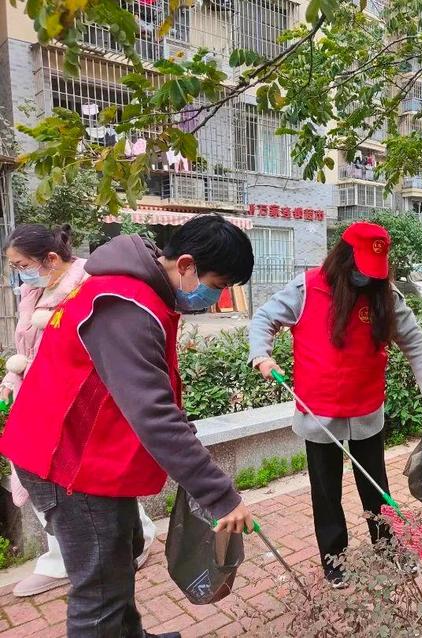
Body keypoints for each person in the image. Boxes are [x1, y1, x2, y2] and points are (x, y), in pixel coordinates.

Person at [0, 214, 256, 638]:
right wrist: (221, 496)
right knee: (98, 588)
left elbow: (151, 398)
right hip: (65, 459)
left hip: (86, 453)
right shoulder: (125, 303)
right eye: (219, 283)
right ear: (187, 265)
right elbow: (153, 414)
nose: (218, 296)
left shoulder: (138, 291)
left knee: (120, 554)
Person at [248, 221, 422, 588]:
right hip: (318, 412)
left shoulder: (384, 296)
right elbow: (264, 319)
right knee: (325, 491)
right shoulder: (306, 289)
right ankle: (335, 558)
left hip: (365, 408)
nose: (365, 278)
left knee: (376, 487)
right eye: (359, 269)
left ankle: (388, 548)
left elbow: (415, 342)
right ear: (344, 259)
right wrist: (262, 355)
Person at [1, 224, 157, 598]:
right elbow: (25, 344)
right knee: (47, 485)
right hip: (38, 397)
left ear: (50, 259)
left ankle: (130, 544)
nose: (19, 272)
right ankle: (67, 559)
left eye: (23, 264)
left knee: (93, 489)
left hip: (75, 402)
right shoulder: (32, 292)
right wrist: (11, 379)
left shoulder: (89, 285)